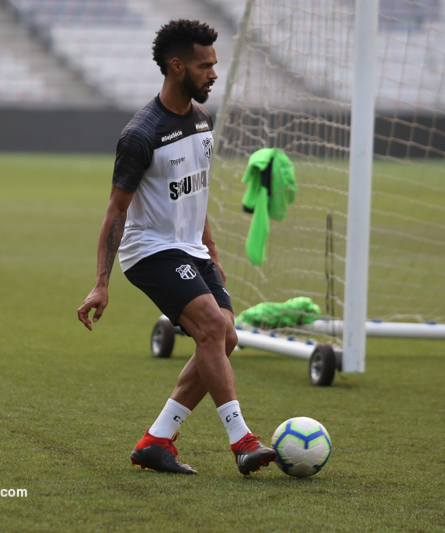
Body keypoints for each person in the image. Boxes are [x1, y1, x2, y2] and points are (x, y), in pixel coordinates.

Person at [77, 20, 276, 476]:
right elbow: (115, 211)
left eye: (215, 64)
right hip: (149, 250)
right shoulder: (141, 134)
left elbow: (195, 193)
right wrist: (101, 283)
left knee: (225, 337)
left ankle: (156, 440)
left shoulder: (202, 120)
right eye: (205, 65)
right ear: (176, 65)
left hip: (191, 249)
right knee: (209, 328)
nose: (213, 74)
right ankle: (242, 441)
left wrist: (212, 254)